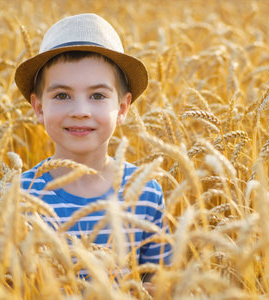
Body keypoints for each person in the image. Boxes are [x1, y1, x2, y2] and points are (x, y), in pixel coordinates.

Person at [14, 13, 172, 281]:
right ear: (39, 108)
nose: (80, 111)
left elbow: (160, 286)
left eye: (97, 96)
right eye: (62, 95)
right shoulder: (19, 196)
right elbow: (2, 284)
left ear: (122, 108)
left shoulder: (145, 193)